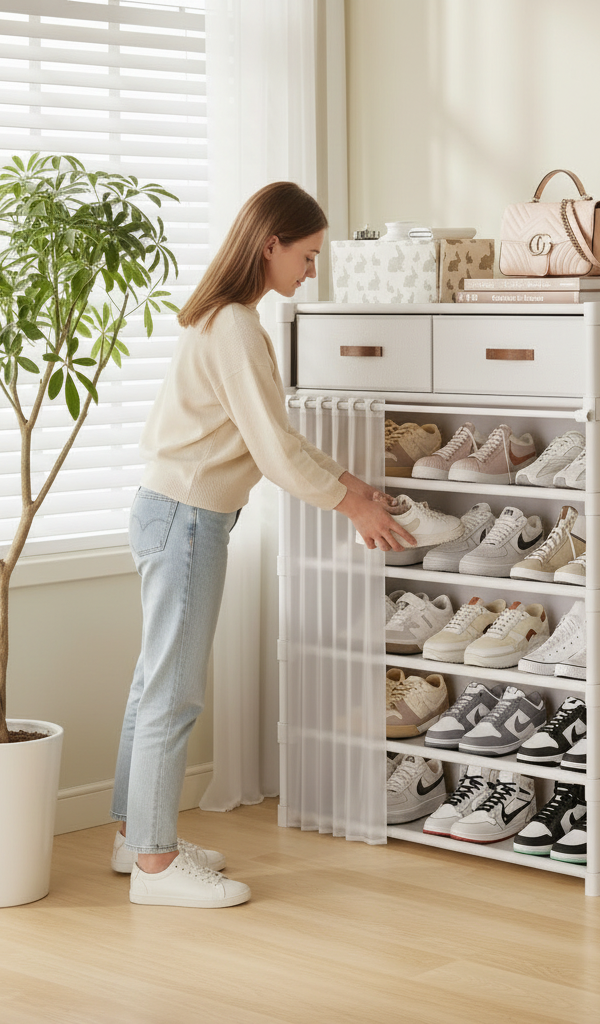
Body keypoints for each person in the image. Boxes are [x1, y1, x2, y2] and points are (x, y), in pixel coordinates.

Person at [109, 182, 414, 908]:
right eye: (307, 256)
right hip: (185, 519)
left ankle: (136, 838)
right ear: (269, 244)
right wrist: (353, 508)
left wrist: (346, 479)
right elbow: (274, 452)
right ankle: (154, 868)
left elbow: (271, 434)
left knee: (154, 684)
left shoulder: (221, 318)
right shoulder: (238, 328)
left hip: (167, 509)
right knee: (172, 691)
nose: (311, 271)